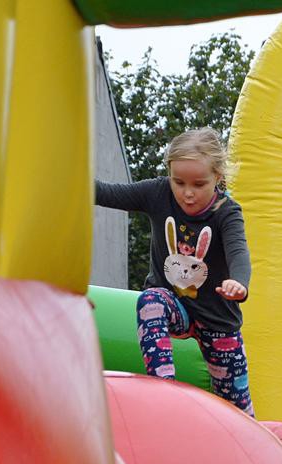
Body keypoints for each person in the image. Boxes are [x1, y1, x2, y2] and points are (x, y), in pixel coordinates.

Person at [95, 128, 255, 415]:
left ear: (218, 177)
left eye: (199, 184)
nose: (187, 193)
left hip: (217, 319)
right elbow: (108, 193)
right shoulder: (158, 193)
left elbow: (238, 252)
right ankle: (164, 390)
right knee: (150, 301)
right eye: (178, 182)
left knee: (238, 408)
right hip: (174, 305)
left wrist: (239, 283)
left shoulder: (227, 211)